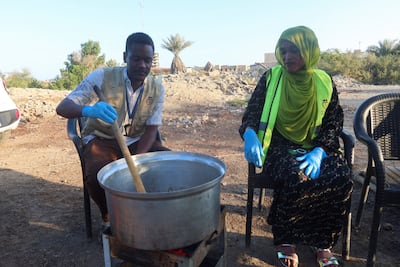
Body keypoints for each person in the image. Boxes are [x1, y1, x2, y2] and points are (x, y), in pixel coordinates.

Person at [239, 26, 353, 267]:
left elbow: (334, 121)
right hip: (279, 146)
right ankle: (286, 239)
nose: (288, 56)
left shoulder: (324, 81)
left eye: (295, 50)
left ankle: (322, 243)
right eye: (284, 50)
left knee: (340, 177)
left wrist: (320, 151)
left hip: (316, 148)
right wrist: (249, 133)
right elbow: (252, 113)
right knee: (295, 177)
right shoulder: (271, 78)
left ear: (309, 52)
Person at [56, 32, 170, 224]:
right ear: (125, 57)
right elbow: (62, 108)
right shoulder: (101, 76)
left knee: (169, 165)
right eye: (136, 59)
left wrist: (138, 158)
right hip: (102, 140)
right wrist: (88, 110)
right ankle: (109, 216)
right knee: (97, 176)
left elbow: (151, 129)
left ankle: (153, 210)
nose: (142, 65)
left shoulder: (157, 88)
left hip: (136, 141)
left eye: (147, 60)